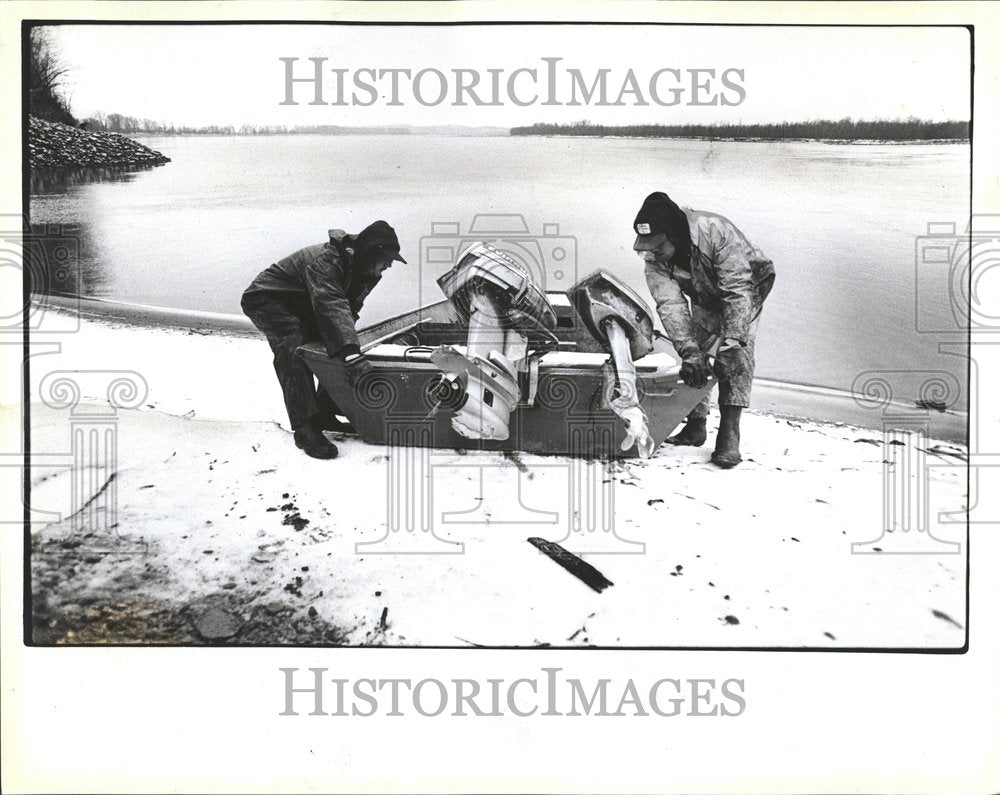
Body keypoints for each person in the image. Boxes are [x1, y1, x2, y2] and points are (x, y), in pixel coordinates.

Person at [241, 221, 407, 459]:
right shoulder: (326, 262)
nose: (390, 264)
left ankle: (325, 411)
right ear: (371, 252)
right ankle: (305, 428)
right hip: (267, 299)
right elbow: (331, 304)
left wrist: (347, 348)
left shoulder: (368, 271)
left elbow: (347, 311)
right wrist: (351, 353)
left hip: (304, 301)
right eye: (387, 258)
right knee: (293, 344)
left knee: (334, 343)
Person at [634, 192, 775, 468]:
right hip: (703, 289)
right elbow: (670, 303)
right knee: (697, 349)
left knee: (735, 355)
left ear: (674, 235)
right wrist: (688, 351)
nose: (652, 252)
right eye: (647, 247)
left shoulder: (716, 232)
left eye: (658, 245)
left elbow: (737, 291)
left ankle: (729, 432)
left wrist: (733, 341)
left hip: (749, 286)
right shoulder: (655, 259)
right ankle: (696, 425)